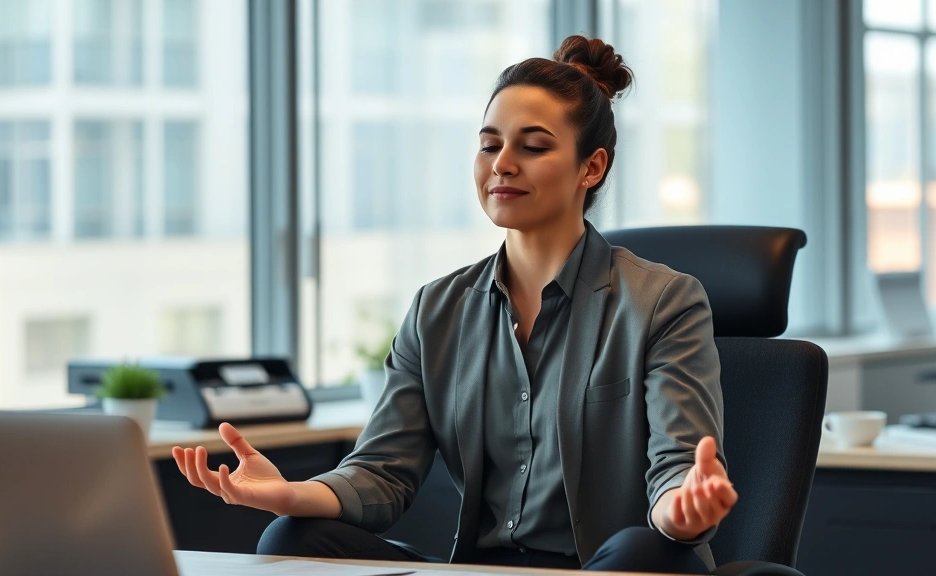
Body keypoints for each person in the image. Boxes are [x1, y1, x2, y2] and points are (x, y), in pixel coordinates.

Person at [172, 35, 736, 574]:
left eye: (533, 146)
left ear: (592, 167)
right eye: (490, 144)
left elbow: (677, 469)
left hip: (609, 566)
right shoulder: (436, 309)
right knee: (293, 536)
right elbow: (382, 473)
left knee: (644, 550)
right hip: (480, 570)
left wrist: (683, 510)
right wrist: (290, 493)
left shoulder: (663, 300)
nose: (502, 164)